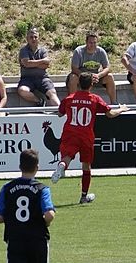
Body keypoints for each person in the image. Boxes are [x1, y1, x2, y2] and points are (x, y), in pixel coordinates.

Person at [51, 73, 129, 204]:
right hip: (86, 136)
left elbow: (59, 114)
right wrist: (121, 109)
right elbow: (110, 114)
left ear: (78, 84)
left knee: (67, 158)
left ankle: (61, 167)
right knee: (86, 166)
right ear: (91, 85)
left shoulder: (69, 98)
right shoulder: (94, 99)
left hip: (70, 133)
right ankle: (83, 197)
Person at [67, 32, 117, 103]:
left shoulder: (101, 51)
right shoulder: (78, 51)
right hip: (82, 77)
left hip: (95, 77)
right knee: (73, 78)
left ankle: (114, 103)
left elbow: (107, 68)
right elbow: (74, 68)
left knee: (110, 76)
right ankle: (72, 102)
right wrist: (87, 76)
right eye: (90, 43)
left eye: (95, 43)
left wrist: (98, 75)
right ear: (86, 42)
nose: (93, 45)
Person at [17, 28, 60, 107]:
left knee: (52, 93)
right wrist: (42, 61)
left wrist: (31, 64)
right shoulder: (23, 50)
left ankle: (59, 110)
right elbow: (26, 64)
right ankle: (39, 101)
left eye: (35, 37)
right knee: (22, 90)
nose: (33, 39)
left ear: (38, 38)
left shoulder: (43, 50)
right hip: (27, 79)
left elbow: (46, 65)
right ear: (27, 39)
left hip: (42, 78)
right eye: (31, 37)